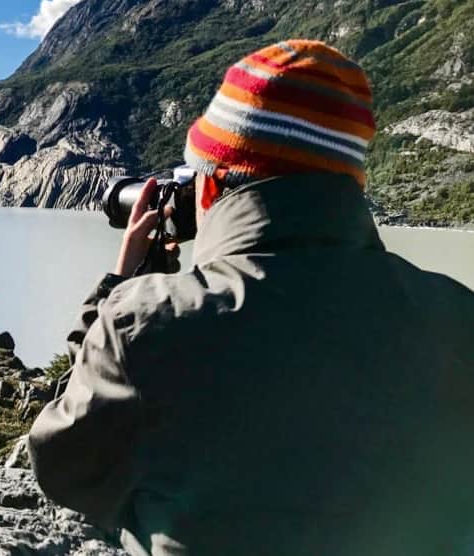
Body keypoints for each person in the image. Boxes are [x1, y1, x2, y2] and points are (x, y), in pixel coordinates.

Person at [28, 40, 474, 556]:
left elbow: (64, 469)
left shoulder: (147, 321)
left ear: (213, 186)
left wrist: (116, 296)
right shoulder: (455, 313)